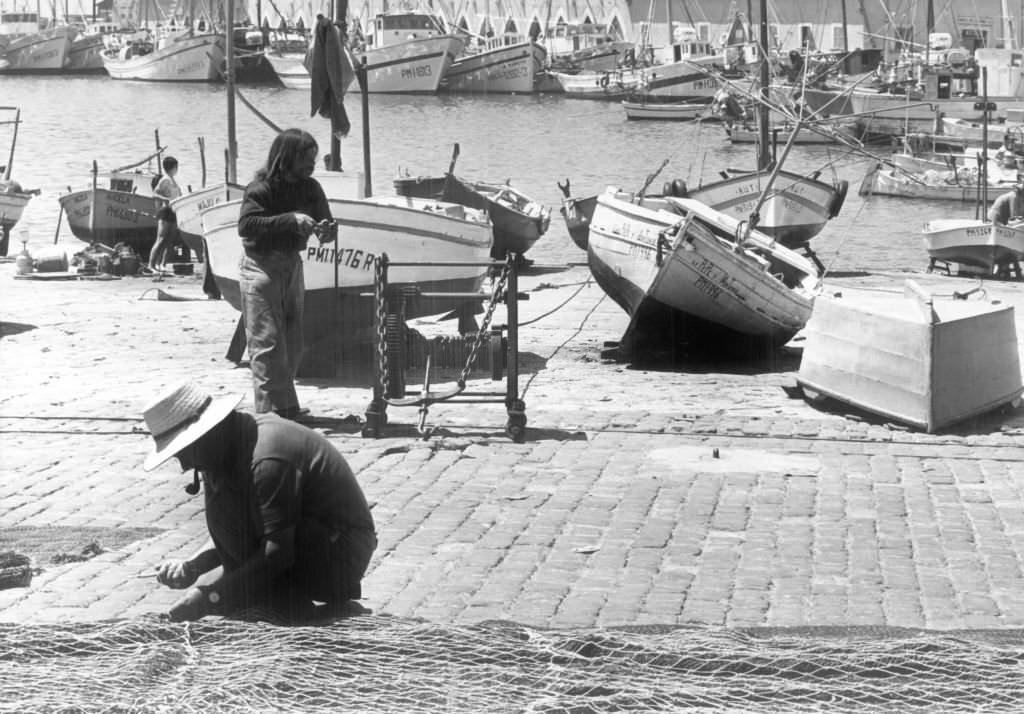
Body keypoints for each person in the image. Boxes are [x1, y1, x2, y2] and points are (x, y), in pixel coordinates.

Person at [143, 380, 377, 622]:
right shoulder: (219, 448)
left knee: (236, 594)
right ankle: (275, 600)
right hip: (291, 538)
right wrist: (192, 566)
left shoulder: (267, 460)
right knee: (228, 587)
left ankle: (301, 609)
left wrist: (210, 598)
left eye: (183, 453)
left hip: (341, 552)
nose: (184, 466)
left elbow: (276, 553)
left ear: (205, 435)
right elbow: (231, 531)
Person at [237, 128, 335, 420]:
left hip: (291, 265)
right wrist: (289, 220)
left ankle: (286, 407)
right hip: (259, 266)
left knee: (293, 342)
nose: (312, 164)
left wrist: (327, 231)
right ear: (287, 157)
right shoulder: (260, 188)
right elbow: (246, 225)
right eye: (306, 158)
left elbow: (325, 223)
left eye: (313, 158)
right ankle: (270, 415)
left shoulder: (311, 188)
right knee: (266, 343)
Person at [148, 156, 185, 271]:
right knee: (161, 239)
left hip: (174, 211)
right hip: (165, 211)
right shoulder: (165, 179)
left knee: (169, 241)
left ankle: (161, 264)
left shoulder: (173, 180)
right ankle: (151, 265)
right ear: (173, 167)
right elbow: (155, 194)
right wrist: (166, 198)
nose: (177, 169)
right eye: (176, 167)